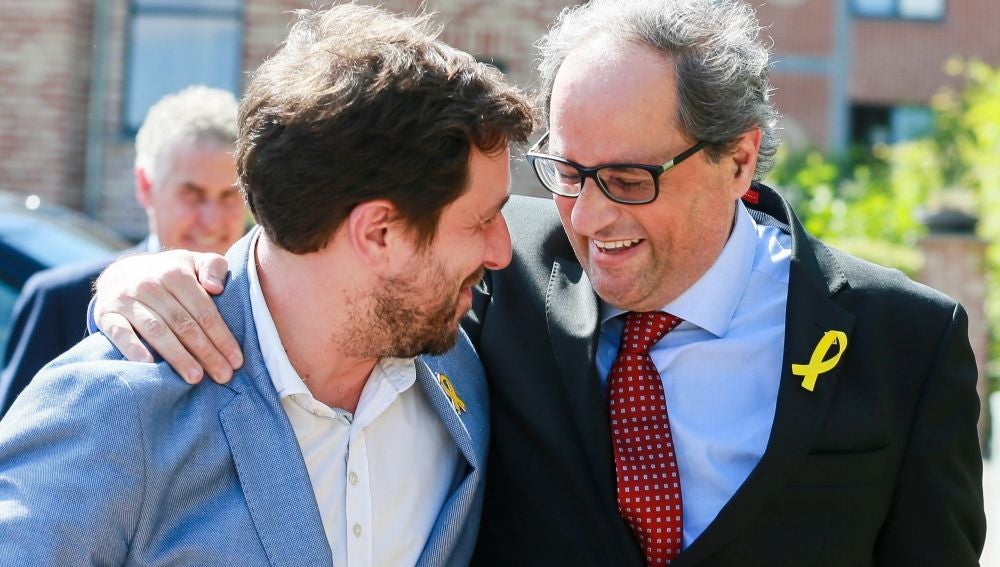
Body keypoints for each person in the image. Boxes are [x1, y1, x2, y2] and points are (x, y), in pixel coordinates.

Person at [85, 0, 986, 565]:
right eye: (566, 169)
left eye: (630, 178)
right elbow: (322, 260)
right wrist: (148, 274)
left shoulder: (905, 342)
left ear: (739, 156)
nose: (588, 219)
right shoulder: (497, 263)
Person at [0, 4, 532, 566]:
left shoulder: (460, 371)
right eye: (480, 221)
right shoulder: (120, 411)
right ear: (378, 232)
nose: (502, 250)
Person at [0, 85, 246, 416]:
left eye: (229, 196)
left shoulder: (264, 300)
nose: (211, 220)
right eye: (192, 194)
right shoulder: (62, 301)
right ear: (145, 186)